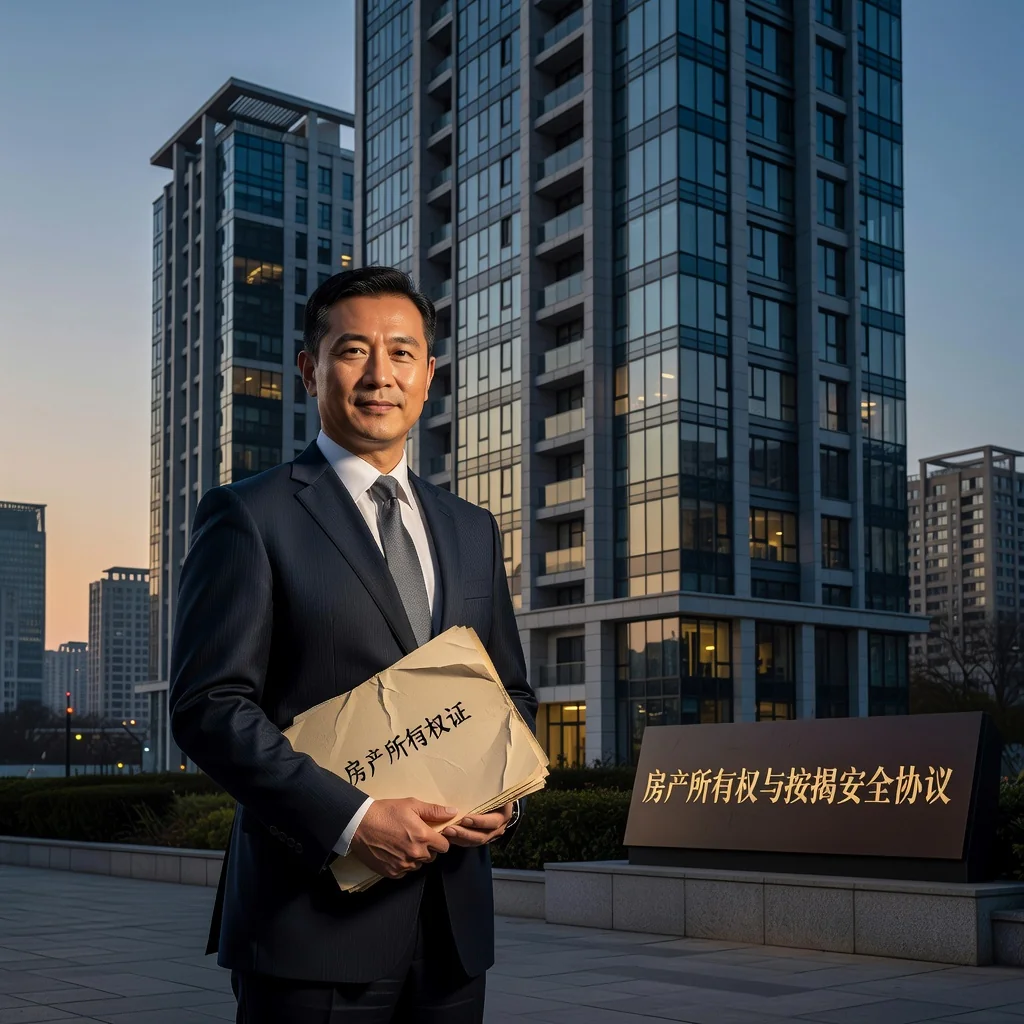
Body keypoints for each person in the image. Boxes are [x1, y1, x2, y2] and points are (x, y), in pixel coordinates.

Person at [169, 266, 537, 1023]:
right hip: (310, 930)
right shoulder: (248, 515)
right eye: (353, 350)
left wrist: (500, 800)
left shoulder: (471, 529)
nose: (380, 374)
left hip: (453, 932)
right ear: (310, 368)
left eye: (402, 353)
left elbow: (510, 694)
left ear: (429, 376)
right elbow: (211, 707)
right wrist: (354, 819)